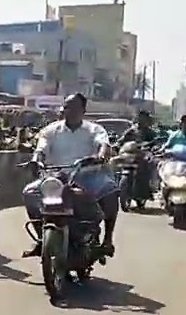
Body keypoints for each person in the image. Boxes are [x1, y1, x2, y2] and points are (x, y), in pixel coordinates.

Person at [23, 93, 118, 257]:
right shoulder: (50, 130)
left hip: (87, 175)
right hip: (56, 176)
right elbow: (40, 149)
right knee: (29, 193)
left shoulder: (94, 129)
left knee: (110, 190)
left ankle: (107, 240)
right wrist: (35, 160)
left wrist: (100, 157)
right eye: (66, 107)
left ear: (83, 110)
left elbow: (103, 145)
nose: (69, 111)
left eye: (74, 107)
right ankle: (41, 239)